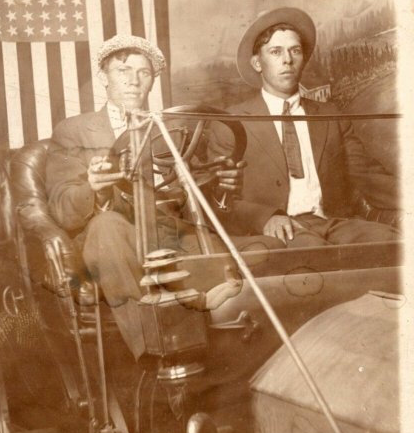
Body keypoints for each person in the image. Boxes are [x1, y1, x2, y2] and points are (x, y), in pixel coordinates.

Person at [45, 34, 263, 360]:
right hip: (107, 236)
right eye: (123, 71)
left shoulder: (175, 130)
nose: (134, 81)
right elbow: (62, 210)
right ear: (103, 77)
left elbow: (197, 200)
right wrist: (91, 185)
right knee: (108, 227)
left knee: (228, 259)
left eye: (144, 73)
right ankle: (158, 357)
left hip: (168, 232)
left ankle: (223, 363)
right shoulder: (73, 130)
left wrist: (223, 189)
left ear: (152, 81)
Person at [208, 7, 399, 247]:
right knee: (313, 254)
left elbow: (367, 175)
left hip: (333, 223)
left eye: (295, 51)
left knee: (394, 243)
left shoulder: (330, 116)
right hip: (277, 231)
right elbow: (220, 199)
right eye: (275, 52)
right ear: (257, 62)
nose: (287, 60)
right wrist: (265, 217)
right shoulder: (232, 123)